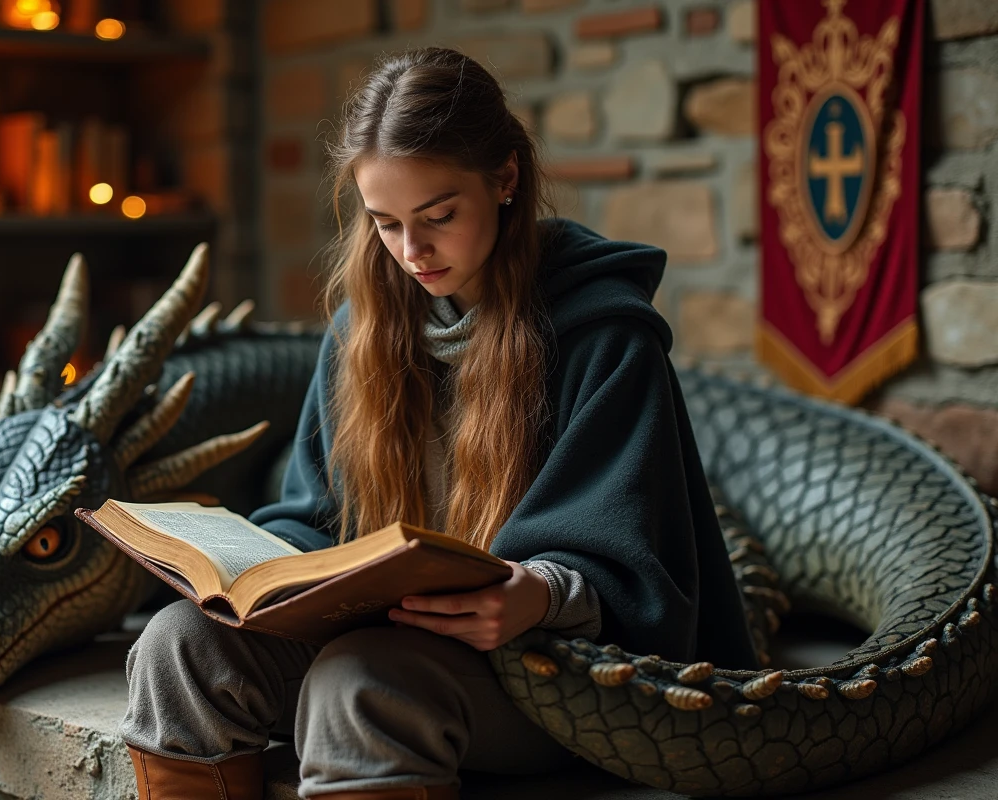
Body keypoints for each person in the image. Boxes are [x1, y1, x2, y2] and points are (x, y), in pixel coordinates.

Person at [119, 46, 758, 800]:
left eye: (439, 217)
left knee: (361, 683)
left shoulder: (606, 337)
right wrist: (254, 574)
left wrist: (537, 592)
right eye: (385, 223)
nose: (411, 253)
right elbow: (317, 518)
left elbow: (636, 569)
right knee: (176, 650)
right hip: (389, 634)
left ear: (506, 179)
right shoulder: (362, 331)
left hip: (549, 669)